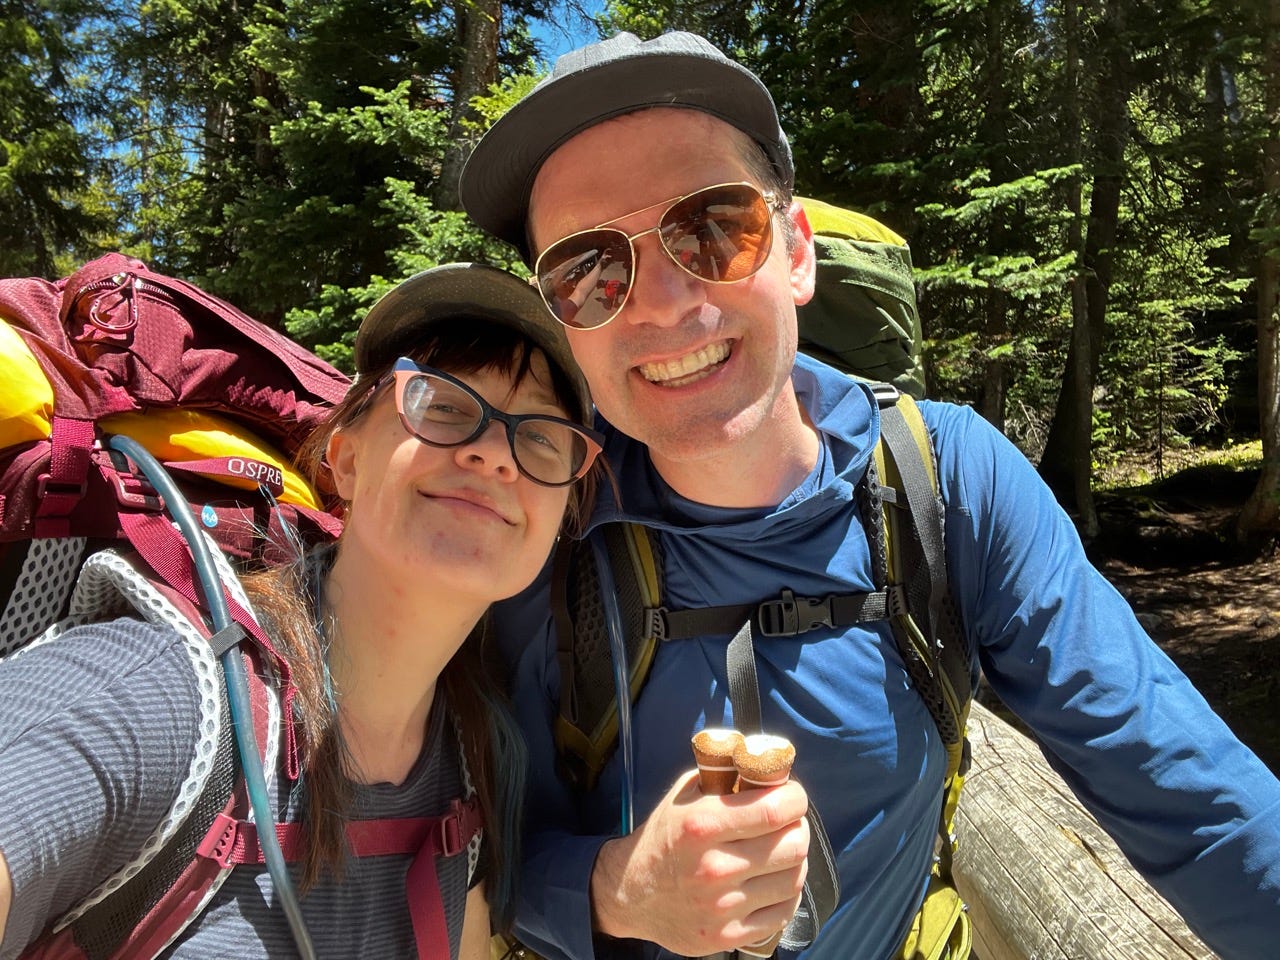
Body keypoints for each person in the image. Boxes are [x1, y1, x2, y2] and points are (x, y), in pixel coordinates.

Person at [457, 31, 1280, 960]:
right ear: (563, 316)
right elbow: (460, 851)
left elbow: (1186, 790)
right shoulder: (539, 520)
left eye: (713, 228)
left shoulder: (950, 483)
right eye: (590, 269)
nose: (659, 303)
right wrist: (617, 890)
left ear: (797, 252)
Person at [0, 263, 603, 960]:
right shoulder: (154, 697)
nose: (495, 453)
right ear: (344, 462)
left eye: (539, 438)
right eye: (442, 405)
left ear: (561, 514)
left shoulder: (474, 758)